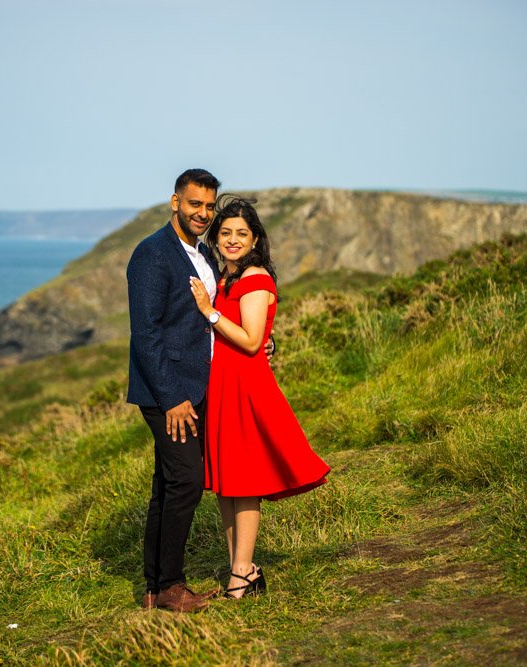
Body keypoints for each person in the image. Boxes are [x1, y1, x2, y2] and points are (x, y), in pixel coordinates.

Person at [189, 196, 330, 599]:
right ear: (217, 237)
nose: (233, 240)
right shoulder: (226, 277)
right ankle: (244, 568)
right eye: (226, 233)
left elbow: (251, 341)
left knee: (245, 482)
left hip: (245, 387)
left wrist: (209, 312)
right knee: (226, 483)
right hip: (223, 386)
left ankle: (240, 576)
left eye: (242, 234)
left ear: (254, 239)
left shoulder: (254, 278)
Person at [126, 168, 223, 613]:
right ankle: (170, 585)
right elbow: (146, 334)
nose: (203, 213)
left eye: (208, 205)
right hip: (169, 394)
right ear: (174, 202)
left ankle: (153, 588)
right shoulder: (152, 254)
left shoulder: (204, 255)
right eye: (194, 204)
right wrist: (172, 398)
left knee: (167, 485)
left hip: (197, 387)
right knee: (186, 480)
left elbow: (204, 319)